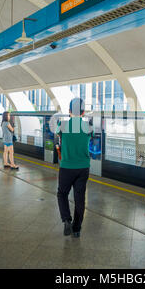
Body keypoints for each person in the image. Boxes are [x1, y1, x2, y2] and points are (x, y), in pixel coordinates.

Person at [56, 98, 93, 238]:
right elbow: (93, 136)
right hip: (83, 168)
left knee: (62, 193)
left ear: (69, 111)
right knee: (80, 198)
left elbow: (59, 135)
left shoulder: (62, 124)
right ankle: (77, 229)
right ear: (83, 112)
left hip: (66, 167)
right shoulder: (88, 126)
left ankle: (66, 219)